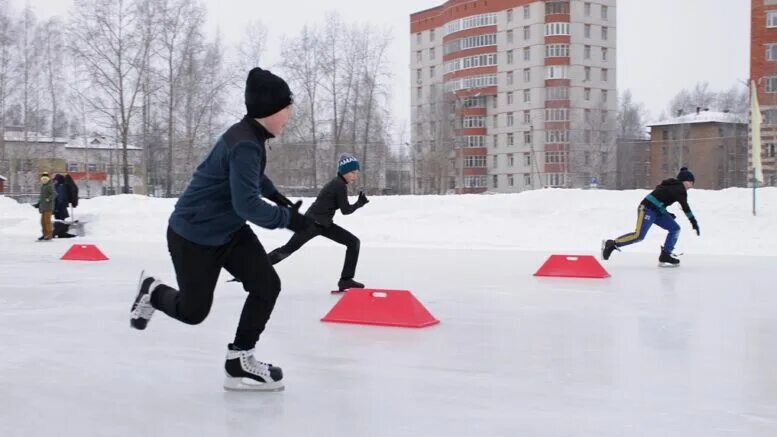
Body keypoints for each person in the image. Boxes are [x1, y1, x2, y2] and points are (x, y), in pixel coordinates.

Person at [129, 67, 312, 392]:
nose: (289, 114)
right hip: (193, 236)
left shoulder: (249, 137)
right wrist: (289, 220)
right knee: (192, 312)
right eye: (286, 107)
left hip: (228, 232)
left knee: (266, 285)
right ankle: (152, 291)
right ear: (269, 109)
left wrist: (278, 198)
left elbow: (253, 178)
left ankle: (239, 358)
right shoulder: (245, 144)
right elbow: (247, 206)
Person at [265, 153, 369, 292]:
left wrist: (357, 204)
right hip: (310, 225)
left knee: (353, 242)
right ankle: (255, 268)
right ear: (344, 171)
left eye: (356, 173)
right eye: (352, 172)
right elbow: (345, 210)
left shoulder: (338, 183)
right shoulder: (339, 185)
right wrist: (359, 204)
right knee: (287, 250)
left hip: (324, 225)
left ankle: (346, 280)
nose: (355, 176)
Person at [602, 167, 700, 267]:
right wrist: (694, 223)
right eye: (691, 183)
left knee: (675, 228)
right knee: (639, 236)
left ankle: (666, 255)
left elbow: (660, 199)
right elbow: (685, 207)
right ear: (685, 181)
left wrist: (666, 213)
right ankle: (612, 244)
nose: (691, 186)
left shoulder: (673, 186)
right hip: (647, 209)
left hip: (657, 211)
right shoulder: (679, 189)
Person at [35, 173, 56, 241]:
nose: (44, 180)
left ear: (48, 180)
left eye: (45, 179)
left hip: (48, 207)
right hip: (43, 207)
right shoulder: (43, 186)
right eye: (43, 179)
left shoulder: (49, 186)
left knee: (47, 222)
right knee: (42, 222)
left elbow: (54, 194)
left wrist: (49, 199)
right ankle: (44, 234)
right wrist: (39, 203)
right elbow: (42, 197)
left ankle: (49, 235)